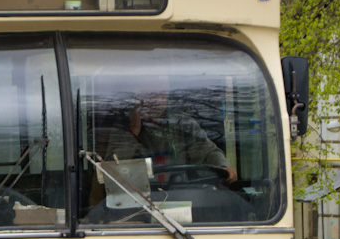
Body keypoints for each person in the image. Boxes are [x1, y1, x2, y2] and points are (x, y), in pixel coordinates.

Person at [99, 79, 237, 185]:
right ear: (139, 98)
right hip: (139, 200)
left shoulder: (182, 123)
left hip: (182, 192)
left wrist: (222, 167)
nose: (155, 101)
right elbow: (113, 170)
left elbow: (206, 151)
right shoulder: (123, 127)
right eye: (150, 95)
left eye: (161, 94)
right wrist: (133, 131)